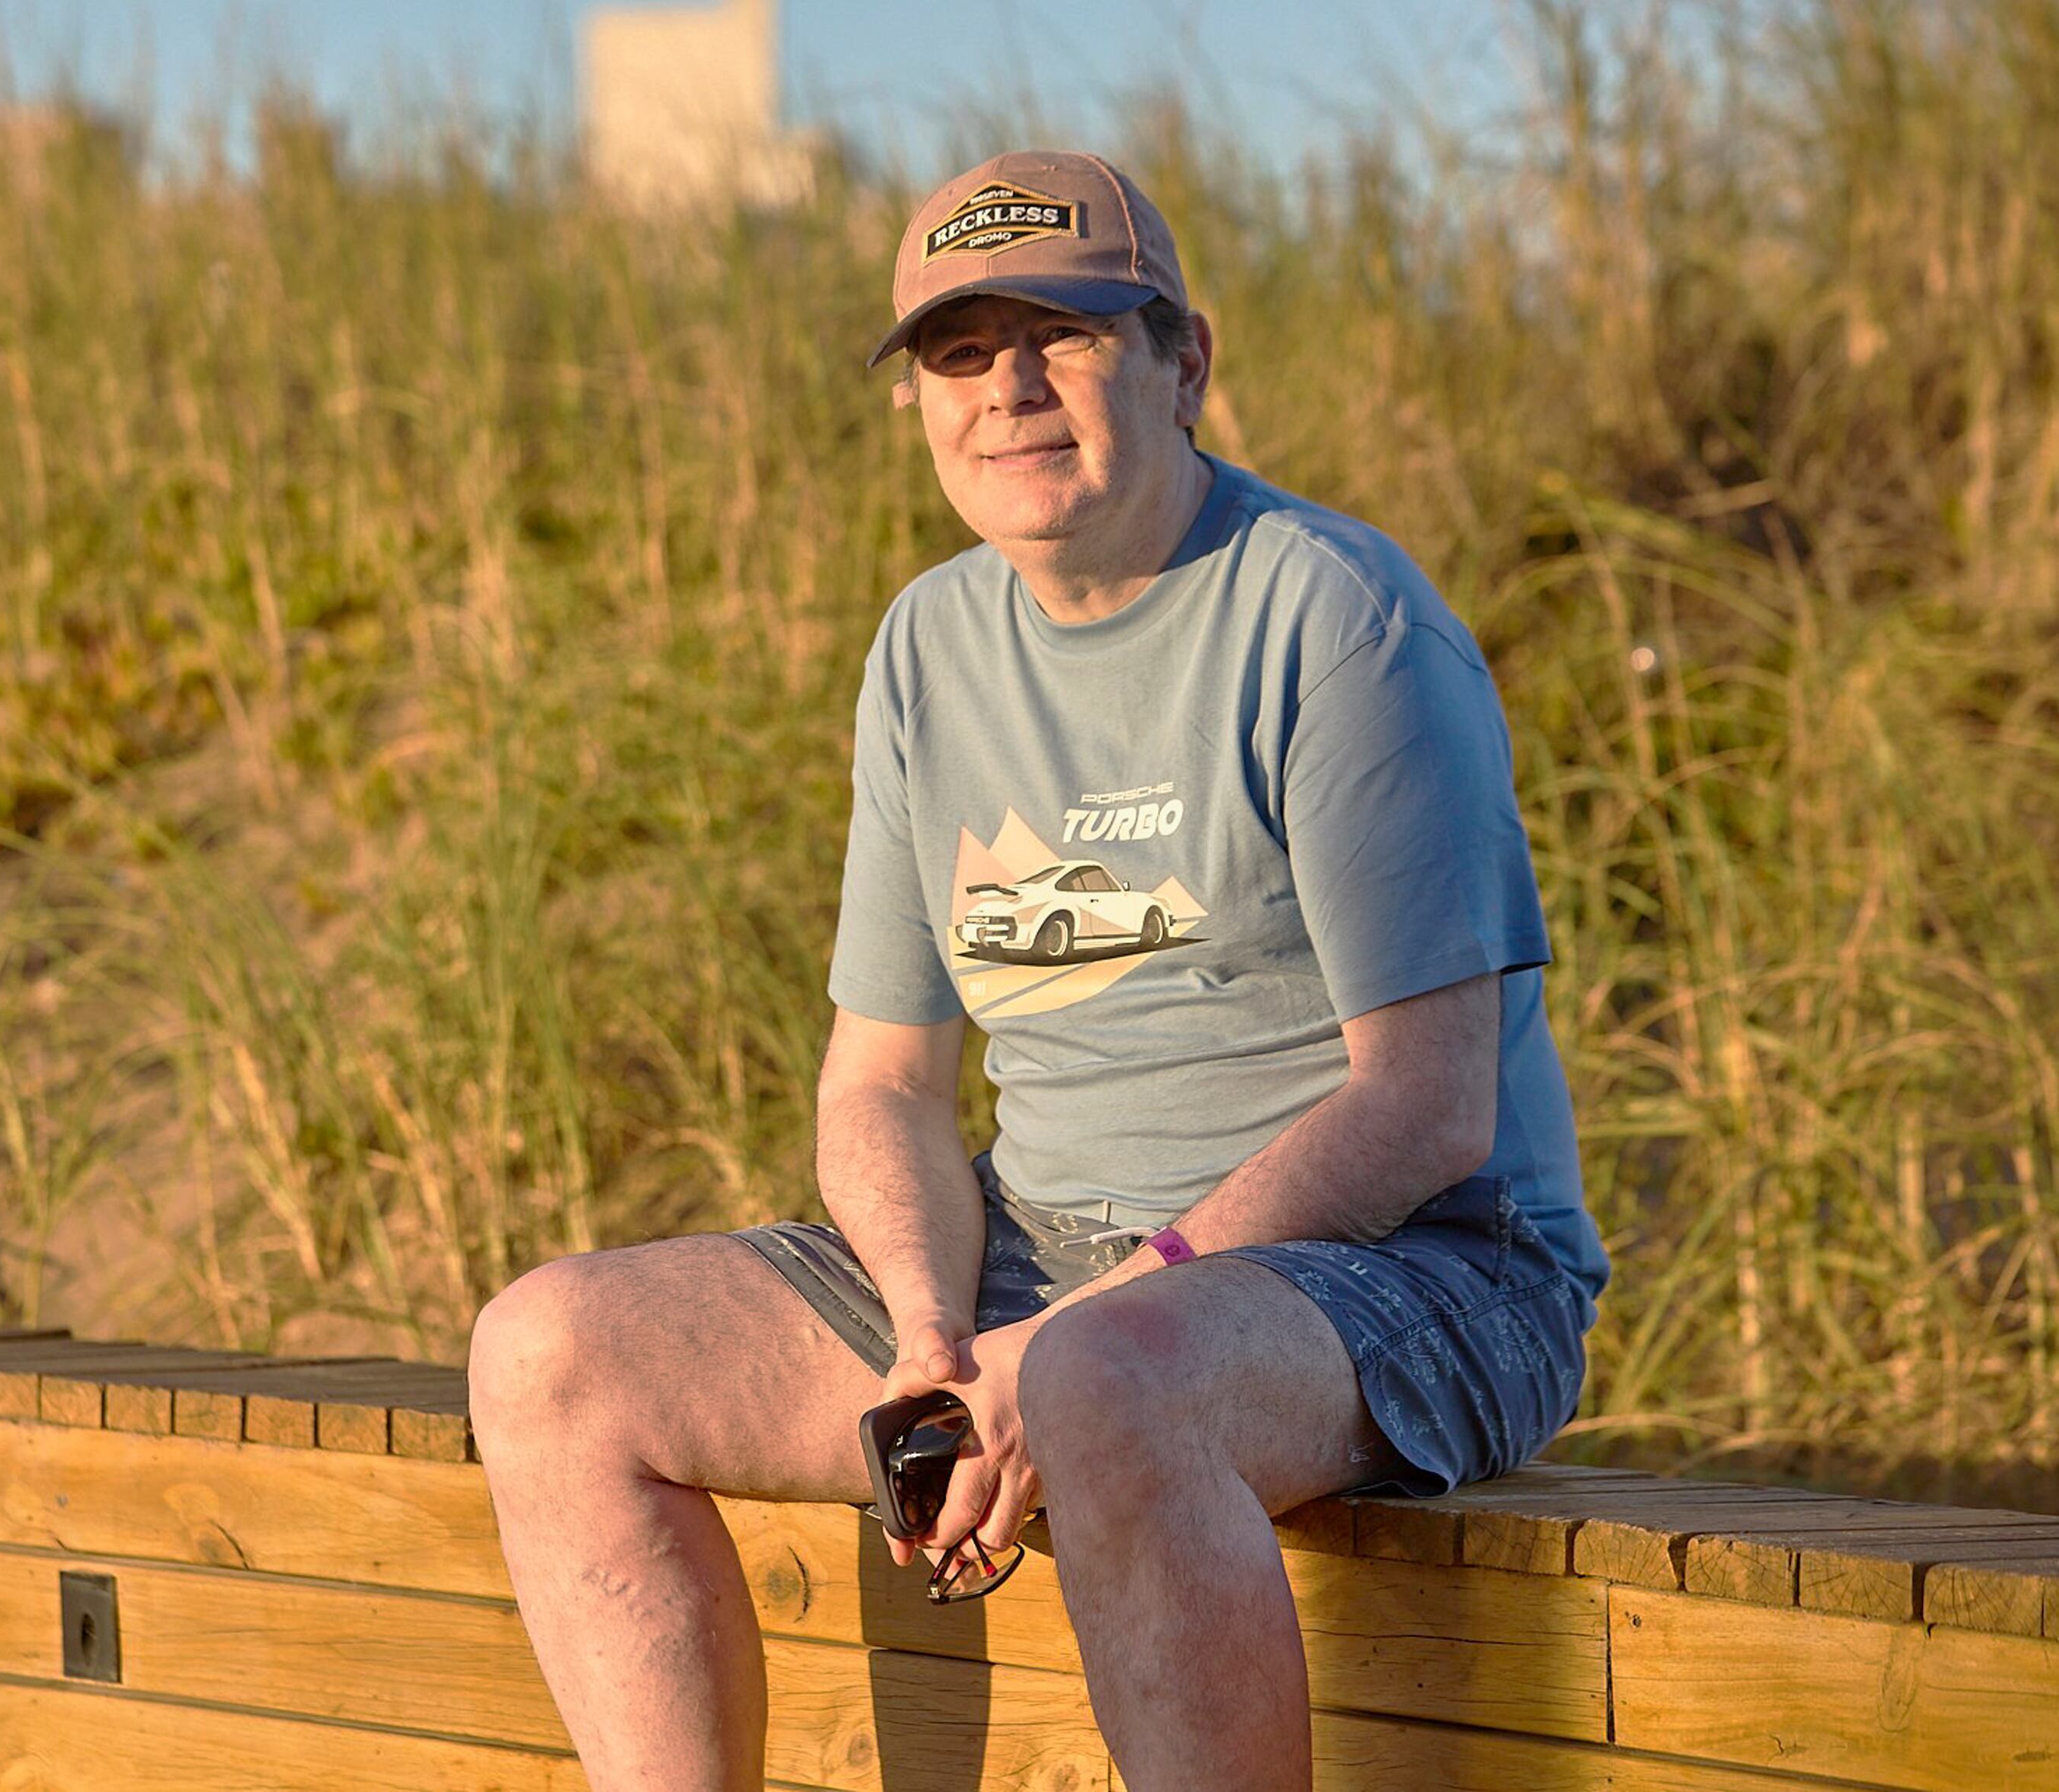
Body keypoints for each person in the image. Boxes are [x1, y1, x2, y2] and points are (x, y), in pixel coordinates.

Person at [466, 148, 1610, 1790]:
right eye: (956, 349)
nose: (1006, 387)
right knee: (546, 1349)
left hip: (1424, 1269)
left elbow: (1427, 1111)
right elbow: (879, 1084)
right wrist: (936, 1334)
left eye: (1062, 335)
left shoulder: (1335, 619)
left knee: (1103, 1381)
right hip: (1048, 1267)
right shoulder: (926, 648)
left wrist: (1077, 1330)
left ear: (1182, 360)